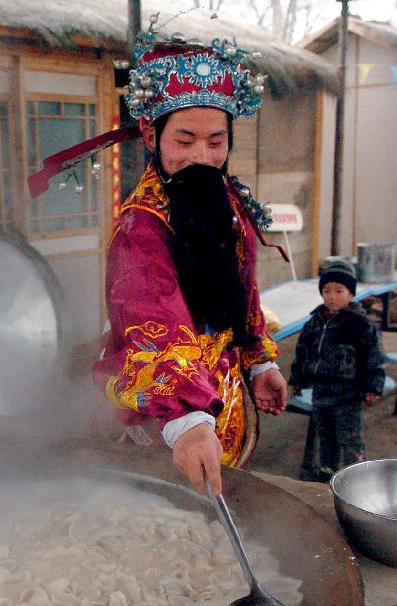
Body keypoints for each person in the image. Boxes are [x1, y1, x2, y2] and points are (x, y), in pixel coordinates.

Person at [93, 32, 287, 496]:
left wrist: (258, 362)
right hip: (168, 408)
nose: (202, 156)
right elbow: (151, 314)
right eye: (185, 139)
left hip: (223, 392)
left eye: (216, 142)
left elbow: (243, 286)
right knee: (166, 511)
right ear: (150, 135)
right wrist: (184, 418)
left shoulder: (226, 197)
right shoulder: (142, 225)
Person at [288, 258, 385, 482]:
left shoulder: (360, 324)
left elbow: (373, 358)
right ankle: (328, 472)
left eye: (339, 290)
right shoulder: (314, 323)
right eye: (326, 290)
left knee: (349, 438)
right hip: (321, 394)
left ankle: (359, 478)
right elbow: (303, 352)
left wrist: (373, 386)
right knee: (326, 436)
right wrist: (298, 380)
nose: (332, 296)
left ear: (351, 294)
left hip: (348, 395)